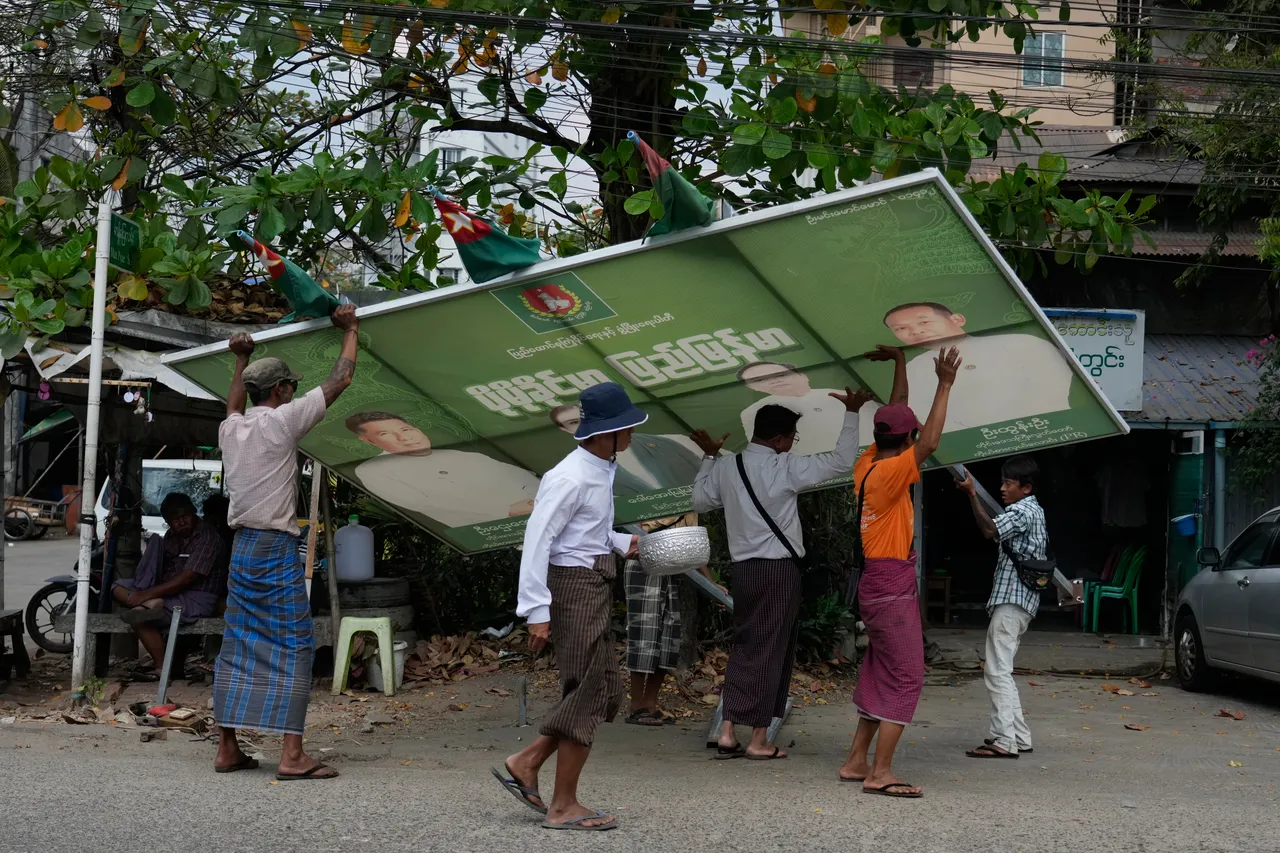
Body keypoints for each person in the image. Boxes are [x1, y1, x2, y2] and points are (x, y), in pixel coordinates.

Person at [212, 303, 360, 780]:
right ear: (280, 391)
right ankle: (292, 756)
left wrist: (239, 358)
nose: (294, 391)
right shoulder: (283, 421)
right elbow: (340, 381)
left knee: (238, 643)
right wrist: (350, 330)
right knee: (295, 644)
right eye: (291, 386)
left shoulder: (231, 428)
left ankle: (228, 748)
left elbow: (234, 404)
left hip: (242, 551)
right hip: (274, 549)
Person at [692, 386, 874, 760]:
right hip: (778, 572)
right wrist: (852, 412)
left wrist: (710, 456)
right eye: (792, 437)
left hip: (744, 571)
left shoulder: (729, 466)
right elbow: (842, 461)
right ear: (777, 439)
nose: (793, 443)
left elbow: (700, 500)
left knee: (746, 646)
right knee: (772, 650)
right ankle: (759, 739)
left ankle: (727, 730)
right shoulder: (785, 467)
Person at [493, 382, 644, 831]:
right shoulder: (571, 475)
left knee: (604, 690)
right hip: (573, 588)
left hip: (591, 580)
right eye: (627, 427)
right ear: (606, 433)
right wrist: (536, 610)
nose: (632, 434)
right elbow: (539, 541)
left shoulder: (600, 468)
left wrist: (619, 542)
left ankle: (527, 760)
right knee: (588, 691)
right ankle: (562, 806)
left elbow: (582, 532)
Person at [838, 344, 960, 799]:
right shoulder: (892, 473)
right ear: (905, 442)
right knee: (907, 675)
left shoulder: (868, 463)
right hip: (890, 584)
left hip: (876, 582)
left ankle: (856, 761)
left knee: (880, 669)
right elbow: (927, 440)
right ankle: (880, 772)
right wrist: (945, 383)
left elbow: (900, 412)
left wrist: (900, 362)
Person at [549, 405, 716, 725]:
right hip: (642, 553)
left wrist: (709, 579)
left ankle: (650, 703)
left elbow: (692, 517)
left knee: (669, 634)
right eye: (572, 423)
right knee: (646, 631)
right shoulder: (586, 473)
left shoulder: (657, 448)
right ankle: (637, 705)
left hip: (679, 554)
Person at [957, 456, 1048, 759]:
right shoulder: (1035, 510)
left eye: (1009, 483)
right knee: (1003, 670)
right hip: (1021, 601)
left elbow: (988, 530)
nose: (1002, 488)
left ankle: (1003, 740)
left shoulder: (1022, 510)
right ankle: (1019, 737)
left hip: (1012, 601)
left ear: (1026, 488)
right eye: (1003, 482)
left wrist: (972, 494)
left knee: (996, 671)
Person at [882, 302, 1072, 432]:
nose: (915, 331)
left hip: (1040, 435)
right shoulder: (914, 368)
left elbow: (1052, 393)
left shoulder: (1021, 344)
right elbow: (920, 417)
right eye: (901, 329)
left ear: (957, 319)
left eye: (923, 321)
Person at [347, 412, 540, 528]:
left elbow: (521, 477)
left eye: (406, 429)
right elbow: (423, 503)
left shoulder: (461, 455)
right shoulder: (374, 470)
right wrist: (506, 509)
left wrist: (538, 499)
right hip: (489, 532)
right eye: (385, 434)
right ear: (368, 441)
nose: (404, 437)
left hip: (540, 518)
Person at [111, 492, 229, 669]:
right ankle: (150, 603)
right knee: (117, 587)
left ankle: (163, 668)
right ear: (168, 521)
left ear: (193, 513)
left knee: (139, 618)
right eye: (175, 520)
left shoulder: (208, 538)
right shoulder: (171, 536)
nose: (181, 523)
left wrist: (145, 595)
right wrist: (145, 589)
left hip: (196, 597)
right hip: (167, 593)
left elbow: (186, 578)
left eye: (185, 516)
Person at [738, 361, 878, 457]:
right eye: (759, 380)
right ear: (753, 388)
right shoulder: (754, 412)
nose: (774, 380)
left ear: (802, 375)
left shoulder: (850, 396)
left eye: (780, 374)